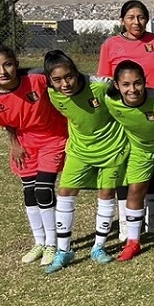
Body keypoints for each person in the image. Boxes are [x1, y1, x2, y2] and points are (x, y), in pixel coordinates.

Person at [0, 42, 68, 266]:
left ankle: (52, 245)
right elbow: (9, 124)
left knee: (43, 189)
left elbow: (66, 80)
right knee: (29, 192)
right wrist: (14, 143)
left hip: (53, 139)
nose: (2, 72)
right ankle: (39, 241)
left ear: (16, 65)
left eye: (7, 65)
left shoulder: (36, 80)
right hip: (25, 144)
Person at [44, 50, 130, 273]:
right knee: (65, 193)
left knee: (106, 193)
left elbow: (127, 93)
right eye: (57, 80)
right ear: (50, 81)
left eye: (69, 76)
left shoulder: (100, 87)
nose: (65, 84)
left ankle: (98, 247)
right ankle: (63, 250)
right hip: (79, 151)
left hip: (112, 149)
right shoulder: (53, 94)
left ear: (76, 71)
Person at [98, 0, 154, 236]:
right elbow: (103, 83)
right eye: (131, 17)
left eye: (141, 17)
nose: (136, 22)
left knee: (152, 165)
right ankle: (126, 222)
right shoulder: (111, 45)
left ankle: (152, 217)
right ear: (122, 20)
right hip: (125, 116)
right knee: (128, 166)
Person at [105, 61, 154, 262]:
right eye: (126, 84)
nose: (132, 89)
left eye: (138, 83)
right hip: (140, 149)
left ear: (145, 82)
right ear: (117, 85)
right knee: (134, 191)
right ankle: (133, 241)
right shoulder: (110, 100)